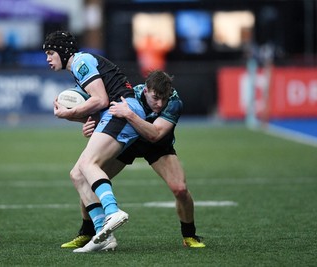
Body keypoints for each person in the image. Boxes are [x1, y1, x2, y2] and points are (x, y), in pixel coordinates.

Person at [62, 70, 206, 252]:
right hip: (126, 142)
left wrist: (129, 114)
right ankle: (87, 232)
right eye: (156, 98)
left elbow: (155, 134)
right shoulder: (129, 96)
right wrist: (91, 126)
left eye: (164, 98)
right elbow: (106, 118)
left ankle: (189, 235)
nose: (160, 104)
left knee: (180, 189)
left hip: (157, 145)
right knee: (91, 180)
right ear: (145, 91)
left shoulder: (174, 102)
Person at [43, 30, 146, 251]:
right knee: (77, 174)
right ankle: (103, 234)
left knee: (87, 164)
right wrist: (84, 120)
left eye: (51, 52)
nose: (47, 59)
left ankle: (112, 211)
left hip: (122, 110)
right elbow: (98, 106)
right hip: (115, 112)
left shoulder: (81, 61)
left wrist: (69, 114)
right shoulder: (80, 68)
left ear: (62, 50)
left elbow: (101, 99)